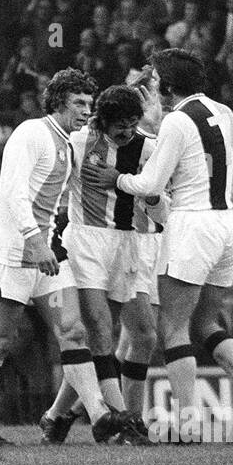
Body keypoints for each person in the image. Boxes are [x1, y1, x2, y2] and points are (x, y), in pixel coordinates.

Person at [84, 49, 233, 440]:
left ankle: (188, 423)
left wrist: (117, 178)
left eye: (156, 82)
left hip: (192, 224)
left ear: (167, 86)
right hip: (228, 223)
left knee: (174, 327)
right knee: (207, 321)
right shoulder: (227, 113)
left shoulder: (178, 121)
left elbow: (149, 184)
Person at [0, 68, 129, 446]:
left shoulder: (70, 143)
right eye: (78, 103)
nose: (86, 110)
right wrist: (34, 241)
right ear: (58, 102)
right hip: (12, 253)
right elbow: (12, 193)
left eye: (90, 104)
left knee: (72, 330)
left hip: (48, 255)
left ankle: (100, 414)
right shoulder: (30, 134)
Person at [42, 81, 165, 445]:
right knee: (98, 329)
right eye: (119, 125)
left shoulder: (150, 150)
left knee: (143, 334)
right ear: (102, 122)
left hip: (130, 246)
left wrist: (140, 188)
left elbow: (163, 210)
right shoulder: (80, 143)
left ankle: (56, 415)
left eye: (133, 123)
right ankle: (124, 421)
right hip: (87, 244)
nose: (127, 131)